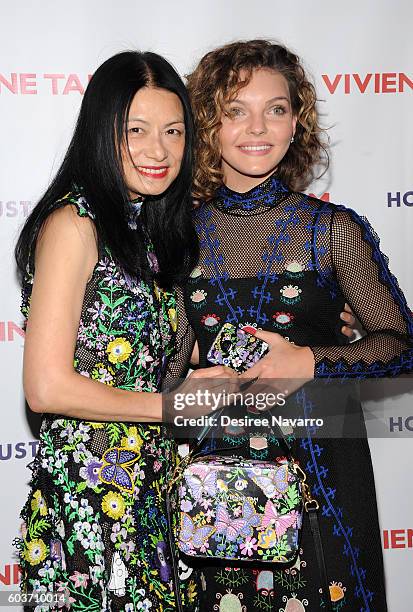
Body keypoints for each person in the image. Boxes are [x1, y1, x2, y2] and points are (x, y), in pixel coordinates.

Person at [166, 40, 413, 611]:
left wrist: (308, 360)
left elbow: (400, 345)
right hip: (215, 482)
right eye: (236, 110)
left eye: (276, 108)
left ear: (296, 120)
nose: (258, 127)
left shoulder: (332, 230)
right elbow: (170, 366)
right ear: (209, 123)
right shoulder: (177, 238)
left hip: (323, 470)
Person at [14, 50, 237, 611]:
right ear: (100, 131)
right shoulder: (74, 224)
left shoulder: (154, 231)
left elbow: (162, 363)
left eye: (172, 131)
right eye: (134, 130)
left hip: (153, 488)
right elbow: (45, 387)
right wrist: (169, 408)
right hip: (91, 499)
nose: (156, 150)